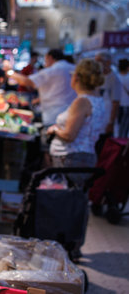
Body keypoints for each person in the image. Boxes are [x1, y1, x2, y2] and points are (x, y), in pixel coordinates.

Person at [46, 59, 106, 260]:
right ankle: (73, 245)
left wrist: (54, 129)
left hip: (72, 159)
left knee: (67, 203)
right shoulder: (99, 101)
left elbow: (70, 135)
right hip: (84, 157)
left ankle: (65, 246)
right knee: (78, 202)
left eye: (73, 74)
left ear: (78, 77)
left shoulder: (82, 101)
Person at [10, 49, 76, 166]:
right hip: (73, 117)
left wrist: (10, 73)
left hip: (53, 117)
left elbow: (28, 81)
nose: (45, 63)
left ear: (50, 58)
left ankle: (51, 179)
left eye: (45, 60)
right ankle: (59, 179)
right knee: (66, 153)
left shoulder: (54, 70)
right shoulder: (73, 68)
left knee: (49, 152)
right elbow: (61, 91)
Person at [95, 51, 123, 136]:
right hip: (96, 120)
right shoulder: (97, 76)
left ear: (108, 62)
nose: (96, 64)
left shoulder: (114, 79)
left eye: (99, 61)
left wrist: (111, 122)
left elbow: (116, 102)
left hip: (105, 120)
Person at [117, 58, 129, 138]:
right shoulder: (128, 78)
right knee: (125, 127)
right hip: (126, 104)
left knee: (118, 126)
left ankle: (117, 142)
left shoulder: (116, 76)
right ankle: (121, 144)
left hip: (117, 104)